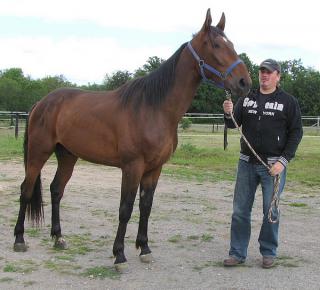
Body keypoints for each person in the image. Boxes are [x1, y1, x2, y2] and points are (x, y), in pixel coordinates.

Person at [222, 59, 303, 268]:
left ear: (278, 76)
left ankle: (268, 252)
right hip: (246, 163)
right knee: (240, 211)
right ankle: (237, 253)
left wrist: (283, 161)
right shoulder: (247, 98)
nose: (264, 75)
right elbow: (233, 124)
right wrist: (227, 111)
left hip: (273, 166)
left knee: (270, 210)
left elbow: (296, 133)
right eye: (262, 72)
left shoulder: (288, 101)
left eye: (269, 72)